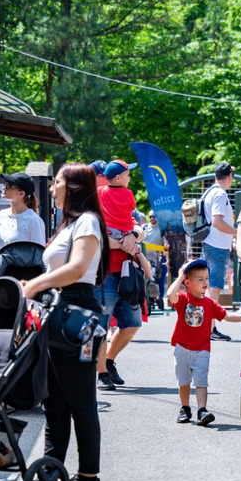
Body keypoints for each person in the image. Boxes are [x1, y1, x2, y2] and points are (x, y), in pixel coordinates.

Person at [20, 162, 107, 481]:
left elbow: (78, 268)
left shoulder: (87, 222)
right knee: (54, 401)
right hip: (57, 311)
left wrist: (35, 285)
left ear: (72, 187)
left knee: (81, 401)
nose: (52, 187)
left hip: (76, 313)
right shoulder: (69, 224)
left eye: (56, 182)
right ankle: (49, 476)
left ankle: (88, 479)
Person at [166, 258, 241, 426]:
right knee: (183, 381)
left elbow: (227, 316)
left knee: (201, 381)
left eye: (206, 278)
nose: (205, 282)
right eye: (200, 279)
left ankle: (202, 410)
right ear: (188, 283)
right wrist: (180, 276)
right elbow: (170, 295)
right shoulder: (183, 299)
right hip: (182, 348)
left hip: (202, 350)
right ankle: (185, 408)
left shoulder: (210, 303)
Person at [95, 158, 145, 391]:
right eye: (127, 174)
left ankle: (109, 361)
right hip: (104, 273)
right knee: (101, 327)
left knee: (132, 323)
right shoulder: (98, 197)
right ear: (117, 178)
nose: (130, 178)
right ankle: (101, 373)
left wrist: (133, 236)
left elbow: (135, 224)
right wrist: (121, 243)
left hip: (126, 271)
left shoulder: (104, 193)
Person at [201, 162, 238, 341]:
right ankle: (209, 328)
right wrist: (237, 232)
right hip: (217, 247)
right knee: (214, 288)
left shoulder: (210, 191)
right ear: (229, 175)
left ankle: (207, 327)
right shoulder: (220, 194)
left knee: (210, 287)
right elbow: (217, 221)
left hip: (211, 244)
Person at [0, 171, 46, 251]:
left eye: (8, 186)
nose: (3, 188)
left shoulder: (34, 221)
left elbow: (38, 254)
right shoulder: (0, 215)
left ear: (21, 194)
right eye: (4, 184)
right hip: (0, 263)